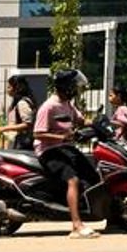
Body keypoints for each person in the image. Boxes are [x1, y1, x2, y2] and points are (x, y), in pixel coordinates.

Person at [34, 70, 97, 238]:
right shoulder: (49, 107)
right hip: (49, 151)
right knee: (73, 180)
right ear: (66, 87)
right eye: (74, 86)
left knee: (93, 176)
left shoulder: (68, 104)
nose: (76, 90)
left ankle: (112, 216)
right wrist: (61, 137)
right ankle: (76, 225)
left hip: (66, 148)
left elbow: (80, 120)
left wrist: (100, 124)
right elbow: (38, 134)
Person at [0, 76, 36, 151]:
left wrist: (5, 128)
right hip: (18, 140)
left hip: (21, 142)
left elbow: (27, 124)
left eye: (9, 87)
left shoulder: (22, 103)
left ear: (17, 88)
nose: (7, 90)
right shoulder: (20, 101)